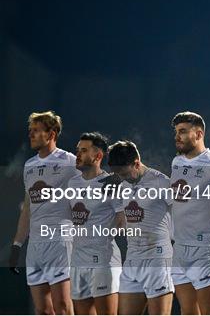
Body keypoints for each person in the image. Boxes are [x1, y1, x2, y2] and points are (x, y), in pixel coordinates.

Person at [9, 111, 79, 314]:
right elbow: (28, 208)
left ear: (51, 134)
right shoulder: (29, 166)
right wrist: (17, 244)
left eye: (36, 131)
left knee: (63, 306)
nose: (30, 135)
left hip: (60, 242)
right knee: (42, 310)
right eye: (30, 131)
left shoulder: (69, 162)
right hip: (35, 246)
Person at [169, 111, 210, 315]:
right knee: (187, 311)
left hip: (204, 249)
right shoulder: (176, 162)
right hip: (179, 247)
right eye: (177, 132)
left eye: (183, 131)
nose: (177, 136)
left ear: (199, 134)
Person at [108, 140, 174, 315]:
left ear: (136, 163)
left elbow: (181, 214)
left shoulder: (161, 182)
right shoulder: (122, 186)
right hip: (132, 259)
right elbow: (123, 222)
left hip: (157, 258)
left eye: (123, 172)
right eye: (117, 173)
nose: (120, 177)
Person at [68, 132, 124, 314]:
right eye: (77, 150)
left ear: (98, 156)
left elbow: (122, 219)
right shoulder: (72, 183)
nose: (78, 155)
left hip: (103, 261)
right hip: (77, 260)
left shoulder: (111, 182)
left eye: (83, 151)